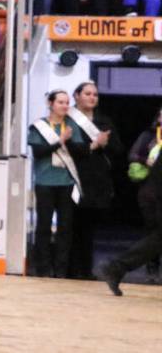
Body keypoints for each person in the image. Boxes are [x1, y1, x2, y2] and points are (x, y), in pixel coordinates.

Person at [100, 106, 162, 291]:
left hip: (155, 192)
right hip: (156, 194)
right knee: (158, 238)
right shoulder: (149, 136)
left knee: (158, 238)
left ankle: (116, 268)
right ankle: (116, 267)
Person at [67, 82, 123, 281]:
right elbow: (69, 149)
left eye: (95, 95)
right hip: (73, 178)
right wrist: (93, 144)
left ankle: (86, 268)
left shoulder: (104, 121)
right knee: (72, 226)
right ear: (77, 96)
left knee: (89, 228)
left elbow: (117, 149)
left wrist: (104, 144)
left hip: (97, 180)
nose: (92, 98)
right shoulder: (68, 120)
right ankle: (70, 269)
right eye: (88, 93)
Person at [28, 90, 89, 278]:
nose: (64, 106)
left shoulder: (71, 125)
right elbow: (38, 152)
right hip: (45, 182)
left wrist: (68, 142)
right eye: (60, 102)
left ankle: (61, 270)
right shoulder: (39, 126)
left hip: (66, 183)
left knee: (65, 228)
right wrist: (60, 141)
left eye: (66, 102)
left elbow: (80, 151)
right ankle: (43, 269)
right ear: (51, 104)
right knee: (44, 227)